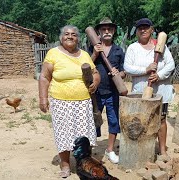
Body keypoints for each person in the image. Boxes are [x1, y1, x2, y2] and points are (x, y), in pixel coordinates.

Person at [38, 25, 100, 178]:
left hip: (83, 102)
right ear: (61, 37)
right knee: (63, 134)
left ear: (78, 38)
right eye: (66, 34)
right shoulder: (54, 53)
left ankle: (84, 163)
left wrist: (96, 82)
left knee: (84, 135)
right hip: (61, 102)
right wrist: (43, 98)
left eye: (73, 34)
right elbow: (44, 77)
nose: (70, 36)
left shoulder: (85, 54)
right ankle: (65, 165)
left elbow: (95, 72)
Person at [124, 18, 175, 155]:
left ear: (152, 30)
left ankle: (162, 150)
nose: (143, 30)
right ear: (137, 32)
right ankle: (143, 150)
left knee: (161, 119)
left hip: (161, 91)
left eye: (146, 27)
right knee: (142, 120)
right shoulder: (132, 48)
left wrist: (159, 75)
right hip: (140, 92)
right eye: (140, 28)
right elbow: (127, 67)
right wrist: (145, 70)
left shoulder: (161, 46)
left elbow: (171, 65)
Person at [89, 17, 126, 164]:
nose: (106, 31)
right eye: (103, 29)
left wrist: (119, 74)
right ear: (98, 32)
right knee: (93, 122)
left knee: (114, 121)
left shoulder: (118, 50)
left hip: (113, 93)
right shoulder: (92, 49)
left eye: (109, 29)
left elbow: (125, 72)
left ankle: (110, 150)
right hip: (95, 92)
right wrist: (95, 54)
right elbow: (85, 65)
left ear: (114, 31)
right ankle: (90, 152)